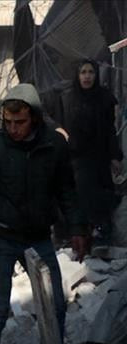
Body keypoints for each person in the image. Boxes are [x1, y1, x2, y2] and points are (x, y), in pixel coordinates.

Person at [0, 83, 87, 344]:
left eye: (20, 122)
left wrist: (77, 228)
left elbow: (66, 190)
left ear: (35, 118)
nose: (13, 129)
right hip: (0, 237)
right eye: (8, 122)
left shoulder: (54, 145)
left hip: (38, 237)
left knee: (54, 305)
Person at [50, 59, 123, 247]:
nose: (87, 76)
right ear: (77, 75)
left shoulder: (104, 98)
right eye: (83, 72)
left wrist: (115, 156)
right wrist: (59, 130)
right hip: (74, 158)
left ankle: (99, 235)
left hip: (99, 158)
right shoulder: (66, 97)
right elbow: (49, 118)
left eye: (91, 72)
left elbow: (109, 130)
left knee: (100, 198)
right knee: (76, 196)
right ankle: (74, 236)